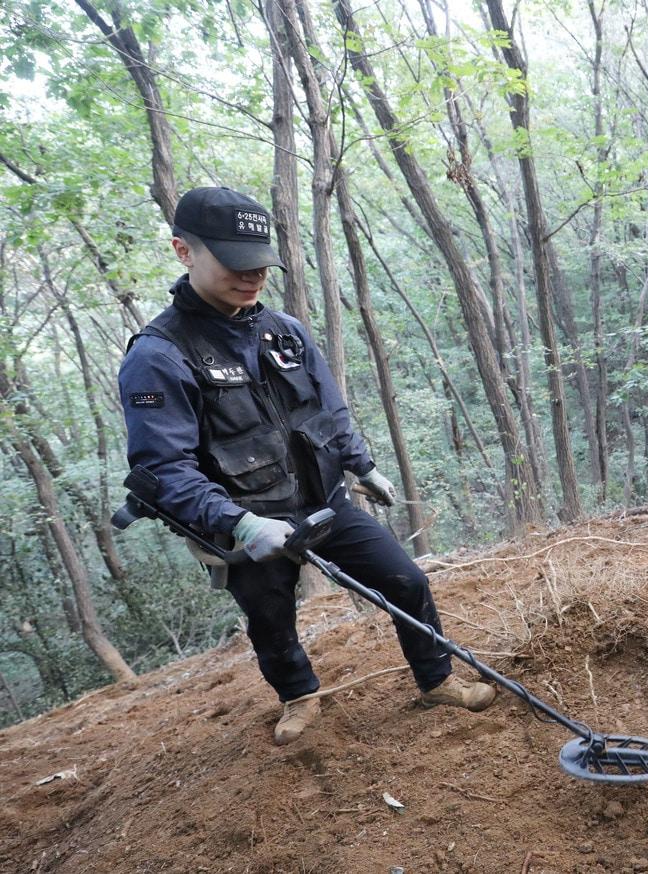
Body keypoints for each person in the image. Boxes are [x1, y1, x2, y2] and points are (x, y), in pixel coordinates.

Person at [118, 187, 496, 746]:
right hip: (246, 526)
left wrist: (360, 464)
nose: (251, 278)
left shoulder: (284, 332)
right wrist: (239, 525)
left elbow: (328, 407)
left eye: (261, 265)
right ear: (183, 251)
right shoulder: (158, 357)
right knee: (271, 621)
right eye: (234, 263)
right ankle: (298, 694)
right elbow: (165, 469)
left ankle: (437, 678)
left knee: (405, 579)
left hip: (325, 504)